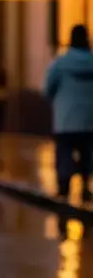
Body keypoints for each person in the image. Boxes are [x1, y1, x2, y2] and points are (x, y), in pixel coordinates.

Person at [44, 24, 93, 202]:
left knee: (64, 152)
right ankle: (86, 186)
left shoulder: (60, 63)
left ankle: (64, 187)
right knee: (87, 152)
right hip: (89, 119)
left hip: (65, 118)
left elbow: (48, 88)